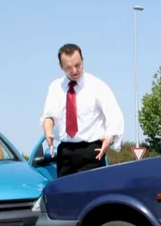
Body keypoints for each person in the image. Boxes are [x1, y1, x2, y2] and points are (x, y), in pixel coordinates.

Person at [40, 43, 125, 178]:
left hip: (92, 152)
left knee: (92, 196)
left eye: (78, 65)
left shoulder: (97, 86)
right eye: (69, 68)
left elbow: (114, 115)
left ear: (83, 60)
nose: (74, 71)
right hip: (65, 154)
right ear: (61, 67)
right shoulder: (55, 87)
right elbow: (49, 115)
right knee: (66, 196)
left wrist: (109, 138)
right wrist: (48, 131)